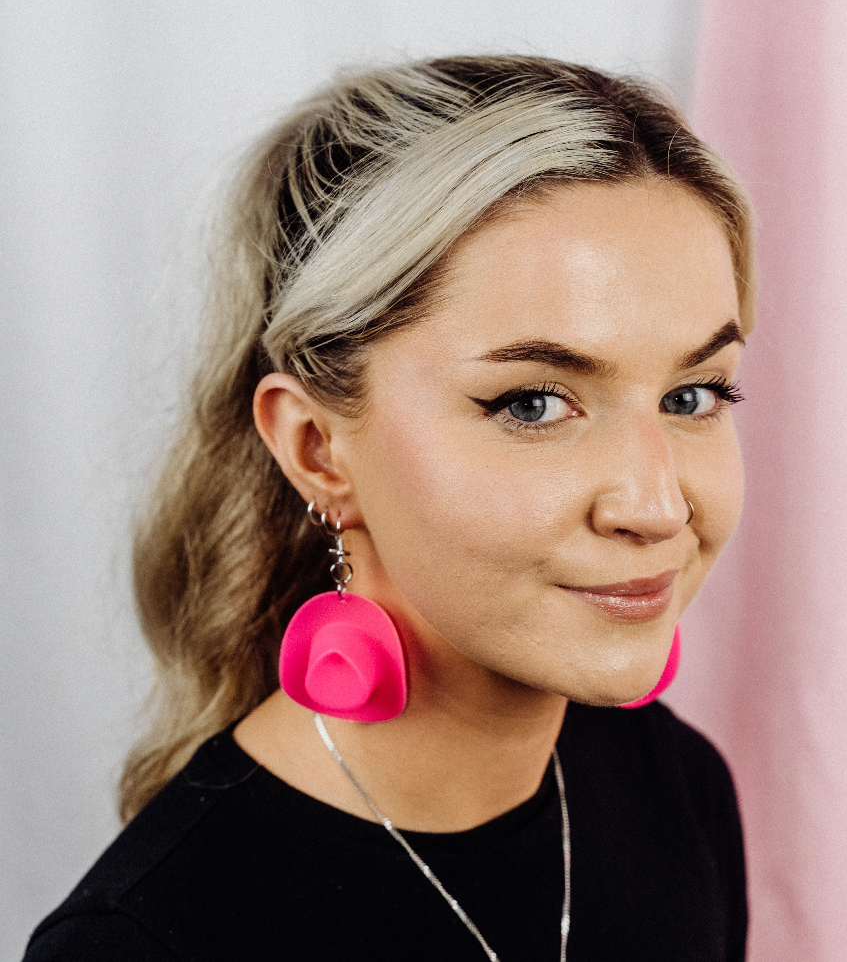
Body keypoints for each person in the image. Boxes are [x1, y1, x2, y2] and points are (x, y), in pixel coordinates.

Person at [25, 55, 755, 961]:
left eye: (693, 397)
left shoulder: (676, 789)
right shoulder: (146, 942)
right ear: (318, 449)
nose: (654, 506)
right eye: (532, 403)